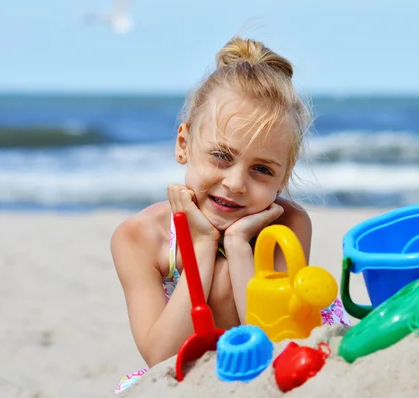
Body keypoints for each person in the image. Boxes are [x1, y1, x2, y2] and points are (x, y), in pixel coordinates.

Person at [111, 36, 351, 394]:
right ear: (183, 144)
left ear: (283, 177)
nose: (236, 183)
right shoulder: (140, 238)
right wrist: (203, 244)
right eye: (222, 157)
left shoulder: (288, 223)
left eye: (263, 170)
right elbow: (161, 356)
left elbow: (276, 342)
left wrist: (239, 245)